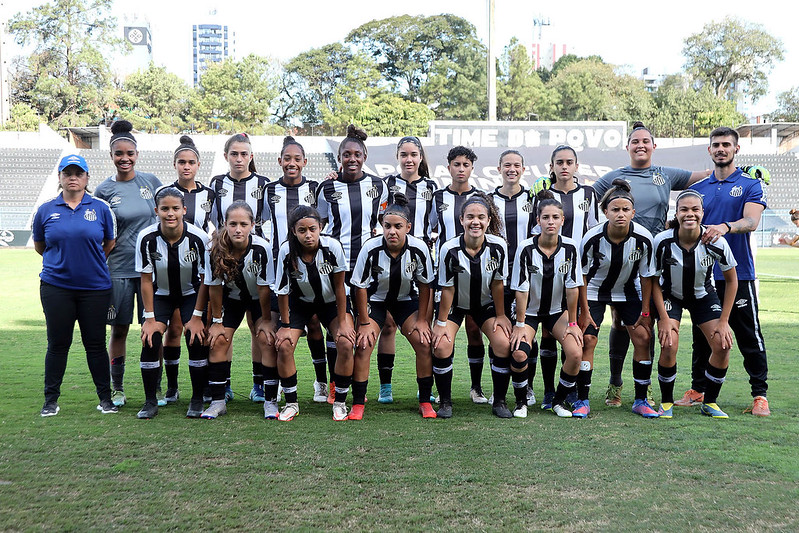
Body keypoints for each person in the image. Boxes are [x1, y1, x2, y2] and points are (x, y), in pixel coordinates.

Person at [591, 121, 709, 407]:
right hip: (624, 260)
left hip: (657, 261)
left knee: (649, 322)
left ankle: (645, 391)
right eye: (635, 141)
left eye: (646, 141)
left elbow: (704, 176)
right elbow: (582, 198)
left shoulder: (665, 174)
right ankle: (615, 385)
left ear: (653, 146)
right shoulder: (612, 177)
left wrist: (738, 173)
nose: (641, 145)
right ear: (628, 147)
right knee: (619, 322)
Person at [685, 127, 770, 416]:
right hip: (703, 276)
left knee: (748, 335)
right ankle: (698, 390)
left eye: (726, 145)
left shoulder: (750, 184)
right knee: (701, 336)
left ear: (735, 150)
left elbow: (751, 220)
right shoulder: (699, 189)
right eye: (716, 145)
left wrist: (725, 227)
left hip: (739, 274)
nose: (721, 149)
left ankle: (759, 395)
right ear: (709, 151)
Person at [33, 155, 118, 417]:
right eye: (67, 173)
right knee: (57, 344)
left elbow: (109, 243)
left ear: (86, 178)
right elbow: (40, 246)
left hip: (95, 288)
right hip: (56, 287)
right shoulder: (46, 209)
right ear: (59, 177)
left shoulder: (101, 208)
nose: (73, 177)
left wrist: (89, 263)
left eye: (78, 173)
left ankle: (105, 399)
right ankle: (50, 400)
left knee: (95, 344)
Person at [316, 125, 387, 408]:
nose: (352, 158)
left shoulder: (378, 186)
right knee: (338, 329)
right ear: (339, 157)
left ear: (365, 156)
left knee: (362, 326)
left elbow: (384, 222)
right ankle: (336, 386)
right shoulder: (327, 187)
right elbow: (319, 226)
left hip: (366, 267)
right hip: (335, 266)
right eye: (347, 154)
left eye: (357, 154)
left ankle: (359, 387)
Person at [348, 193, 437, 420]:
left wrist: (423, 320)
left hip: (406, 300)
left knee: (424, 343)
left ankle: (425, 401)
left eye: (398, 226)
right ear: (382, 226)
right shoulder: (370, 249)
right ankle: (358, 403)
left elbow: (426, 286)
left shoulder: (419, 248)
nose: (392, 231)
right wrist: (364, 322)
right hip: (374, 301)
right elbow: (359, 287)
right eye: (387, 226)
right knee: (364, 345)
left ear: (408, 227)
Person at [94, 120, 163, 408]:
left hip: (152, 270)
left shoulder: (151, 182)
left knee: (154, 328)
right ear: (111, 156)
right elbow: (99, 232)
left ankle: (155, 389)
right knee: (119, 329)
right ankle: (118, 388)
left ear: (137, 154)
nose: (125, 158)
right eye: (119, 153)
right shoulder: (103, 190)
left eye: (130, 153)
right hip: (119, 269)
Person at [651, 190, 738, 419]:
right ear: (676, 213)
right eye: (684, 209)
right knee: (669, 343)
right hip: (671, 296)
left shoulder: (716, 241)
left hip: (703, 297)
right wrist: (664, 318)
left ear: (702, 213)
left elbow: (731, 280)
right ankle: (667, 402)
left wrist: (724, 321)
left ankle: (709, 402)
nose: (690, 214)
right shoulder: (662, 241)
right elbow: (652, 281)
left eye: (695, 209)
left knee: (722, 345)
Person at [579, 179, 656, 419]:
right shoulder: (592, 238)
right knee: (588, 339)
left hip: (629, 291)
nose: (620, 214)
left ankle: (641, 399)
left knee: (643, 337)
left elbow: (646, 276)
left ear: (633, 212)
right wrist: (583, 310)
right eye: (615, 210)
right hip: (594, 290)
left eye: (625, 210)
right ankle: (582, 399)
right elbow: (580, 276)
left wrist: (645, 311)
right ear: (605, 212)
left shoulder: (643, 238)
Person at [432, 192, 513, 419]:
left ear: (488, 220)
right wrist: (440, 323)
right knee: (441, 345)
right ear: (461, 220)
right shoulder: (449, 249)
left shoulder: (498, 247)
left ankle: (499, 401)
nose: (475, 221)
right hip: (456, 305)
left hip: (485, 305)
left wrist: (501, 315)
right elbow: (447, 289)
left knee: (503, 344)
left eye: (480, 217)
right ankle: (446, 402)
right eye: (470, 217)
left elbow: (498, 284)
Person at [134, 186, 211, 419]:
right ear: (156, 210)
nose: (170, 213)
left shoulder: (199, 238)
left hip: (191, 294)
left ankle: (197, 399)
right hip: (161, 294)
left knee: (196, 338)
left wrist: (197, 317)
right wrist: (149, 319)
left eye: (175, 208)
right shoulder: (146, 238)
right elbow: (146, 280)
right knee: (150, 338)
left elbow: (205, 280)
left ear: (184, 210)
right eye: (165, 208)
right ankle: (150, 401)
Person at [273, 206, 355, 421]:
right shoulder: (286, 251)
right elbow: (282, 291)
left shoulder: (332, 247)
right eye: (302, 230)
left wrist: (344, 321)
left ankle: (339, 403)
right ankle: (291, 403)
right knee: (283, 345)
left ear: (320, 227)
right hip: (300, 303)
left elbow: (339, 287)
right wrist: (285, 324)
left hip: (330, 303)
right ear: (293, 231)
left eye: (312, 229)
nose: (308, 235)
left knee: (346, 342)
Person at [532, 145, 599, 410]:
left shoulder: (588, 194)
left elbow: (594, 230)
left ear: (576, 166)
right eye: (559, 162)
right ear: (551, 166)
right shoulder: (543, 196)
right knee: (548, 334)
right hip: (549, 272)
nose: (564, 166)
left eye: (569, 162)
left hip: (578, 274)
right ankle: (550, 392)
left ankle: (569, 390)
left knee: (577, 330)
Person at [265, 136, 330, 404]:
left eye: (297, 159)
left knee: (314, 324)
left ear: (305, 162)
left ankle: (321, 383)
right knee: (280, 326)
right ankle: (281, 383)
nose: (292, 163)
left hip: (310, 265)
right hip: (279, 268)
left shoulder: (316, 188)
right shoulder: (267, 190)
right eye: (287, 159)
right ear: (280, 162)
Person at [208, 133, 271, 404]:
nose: (239, 158)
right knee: (225, 325)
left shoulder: (263, 184)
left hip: (255, 260)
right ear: (226, 156)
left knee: (259, 326)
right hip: (226, 259)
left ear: (251, 156)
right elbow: (214, 221)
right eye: (234, 154)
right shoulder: (217, 184)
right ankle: (226, 385)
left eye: (244, 154)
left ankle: (259, 385)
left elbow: (265, 221)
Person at [510, 190, 584, 418]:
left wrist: (572, 323)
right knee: (520, 353)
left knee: (575, 354)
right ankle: (521, 402)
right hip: (529, 313)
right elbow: (521, 290)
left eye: (555, 217)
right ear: (538, 220)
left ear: (562, 220)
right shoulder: (526, 248)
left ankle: (558, 401)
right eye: (545, 217)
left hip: (555, 312)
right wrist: (520, 324)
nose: (550, 222)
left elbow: (573, 288)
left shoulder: (571, 248)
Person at [376, 136, 437, 404]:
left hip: (419, 263)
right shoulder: (385, 184)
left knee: (423, 327)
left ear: (421, 158)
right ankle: (385, 388)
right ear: (397, 157)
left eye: (414, 154)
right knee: (387, 325)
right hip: (389, 261)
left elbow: (436, 223)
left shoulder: (432, 188)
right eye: (404, 154)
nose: (409, 159)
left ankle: (425, 389)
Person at [202, 201, 275, 419]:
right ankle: (218, 401)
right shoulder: (214, 248)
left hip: (257, 299)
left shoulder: (262, 248)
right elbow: (214, 287)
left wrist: (265, 319)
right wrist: (216, 321)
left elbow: (263, 289)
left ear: (252, 224)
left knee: (265, 338)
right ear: (224, 224)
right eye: (233, 223)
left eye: (244, 224)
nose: (238, 229)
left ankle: (270, 401)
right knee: (218, 340)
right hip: (231, 298)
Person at [430, 146, 490, 404]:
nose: (461, 169)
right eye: (456, 164)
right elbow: (428, 229)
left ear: (472, 168)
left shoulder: (482, 198)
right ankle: (443, 392)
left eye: (466, 164)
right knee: (443, 332)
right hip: (447, 274)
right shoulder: (438, 197)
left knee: (475, 329)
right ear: (449, 168)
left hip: (476, 275)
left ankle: (476, 388)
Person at [490, 149, 537, 407]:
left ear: (523, 169)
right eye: (507, 165)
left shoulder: (533, 199)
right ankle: (497, 391)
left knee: (527, 332)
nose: (512, 169)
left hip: (526, 275)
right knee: (501, 332)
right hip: (496, 276)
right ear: (499, 169)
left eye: (517, 165)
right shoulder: (487, 200)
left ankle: (527, 386)